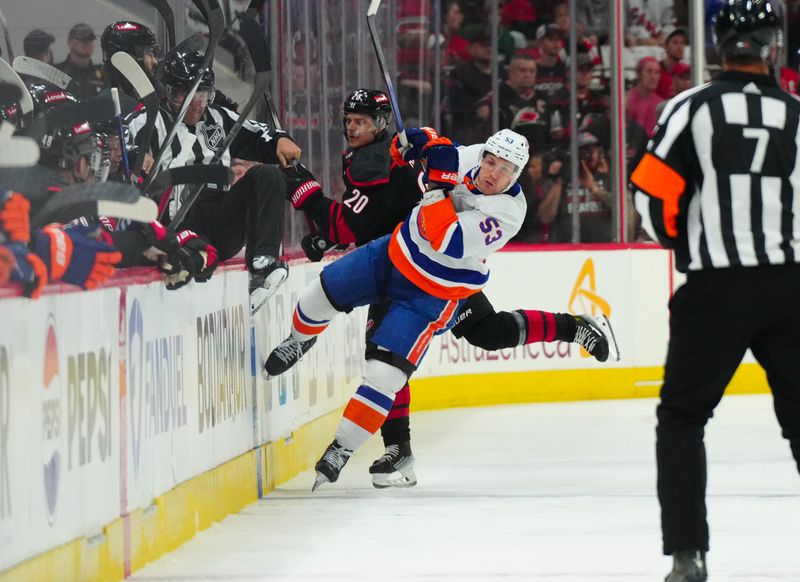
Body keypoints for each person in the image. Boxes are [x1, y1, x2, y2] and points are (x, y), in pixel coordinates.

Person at [281, 90, 620, 487]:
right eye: (491, 162)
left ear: (517, 176)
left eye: (505, 169)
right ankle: (399, 451)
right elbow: (432, 145)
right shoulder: (476, 157)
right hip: (399, 258)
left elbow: (447, 239)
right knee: (392, 352)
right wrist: (417, 142)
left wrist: (435, 186)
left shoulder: (508, 212)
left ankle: (572, 326)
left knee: (445, 345)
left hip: (444, 285)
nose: (492, 173)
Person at [630, 1, 800, 580]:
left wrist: (685, 247)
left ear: (719, 45)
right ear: (772, 46)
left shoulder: (689, 108)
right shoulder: (798, 114)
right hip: (791, 285)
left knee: (682, 417)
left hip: (714, 287)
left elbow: (650, 198)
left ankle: (688, 556)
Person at [125, 49, 302, 314]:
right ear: (169, 90)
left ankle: (263, 265)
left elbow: (258, 134)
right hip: (175, 226)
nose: (197, 103)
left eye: (203, 94)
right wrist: (137, 161)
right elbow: (125, 156)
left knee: (268, 174)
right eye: (187, 94)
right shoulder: (147, 121)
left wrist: (279, 139)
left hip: (219, 221)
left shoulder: (218, 118)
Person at [56, 23, 106, 100]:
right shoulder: (57, 73)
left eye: (90, 40)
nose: (87, 43)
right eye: (82, 40)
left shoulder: (103, 74)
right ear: (70, 42)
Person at [626, 56, 665, 137]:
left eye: (657, 72)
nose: (653, 76)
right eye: (649, 71)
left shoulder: (660, 103)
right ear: (639, 74)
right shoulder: (626, 100)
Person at [656, 28, 689, 99]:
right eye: (675, 43)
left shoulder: (688, 70)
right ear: (665, 46)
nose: (680, 47)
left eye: (683, 43)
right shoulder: (655, 71)